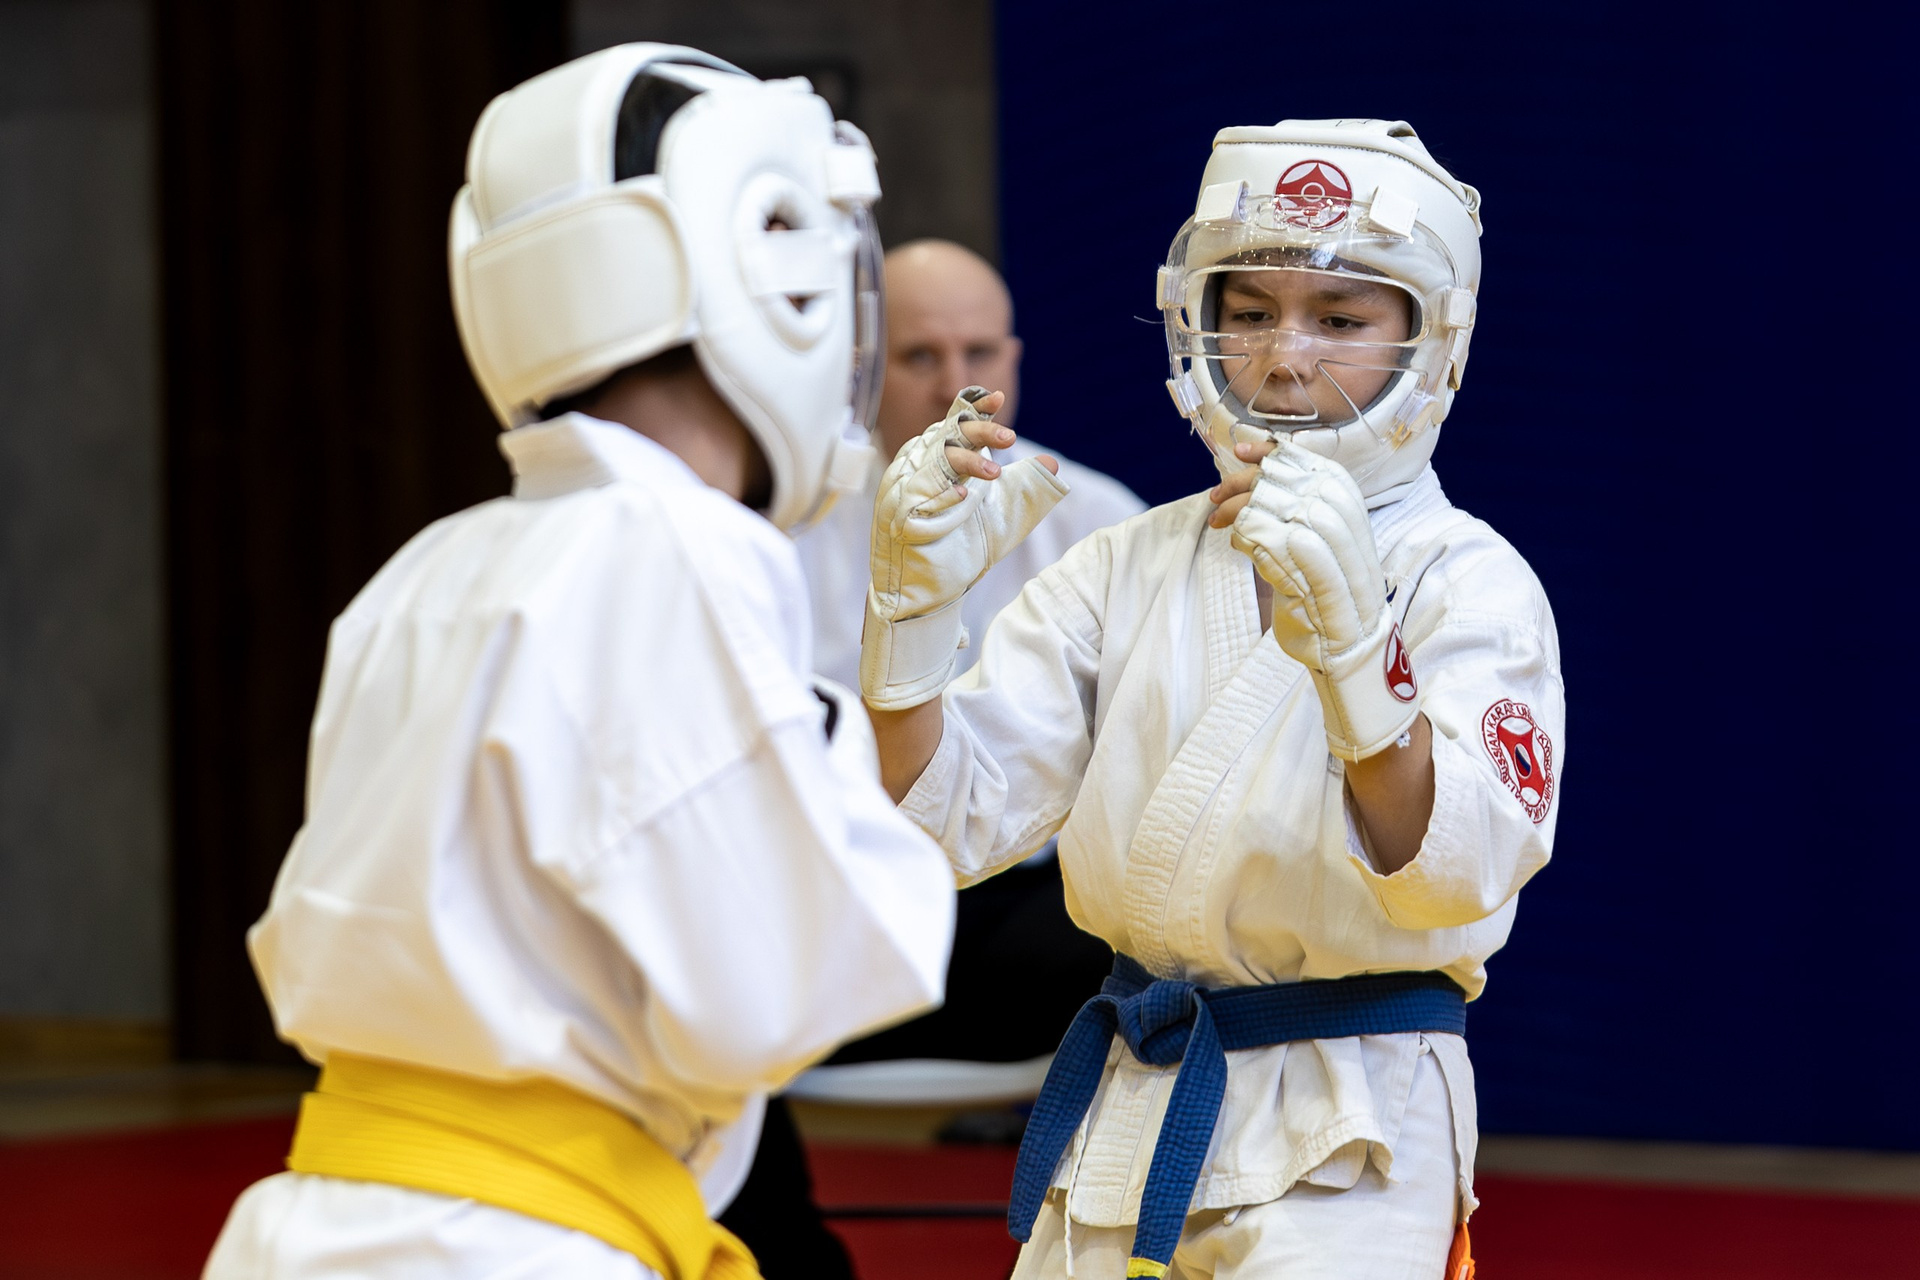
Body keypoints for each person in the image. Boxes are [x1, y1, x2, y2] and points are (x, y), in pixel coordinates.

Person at [202, 44, 955, 1280]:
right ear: (775, 287)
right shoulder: (684, 549)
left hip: (329, 1218)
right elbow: (777, 987)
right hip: (513, 1242)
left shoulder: (430, 569)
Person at [862, 119, 1563, 1278]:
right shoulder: (1124, 563)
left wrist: (1359, 654)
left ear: (1432, 340)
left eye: (1341, 318)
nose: (1285, 356)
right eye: (1249, 311)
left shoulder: (1467, 579)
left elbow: (1458, 870)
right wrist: (911, 623)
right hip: (1132, 1101)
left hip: (1356, 1116)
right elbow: (937, 828)